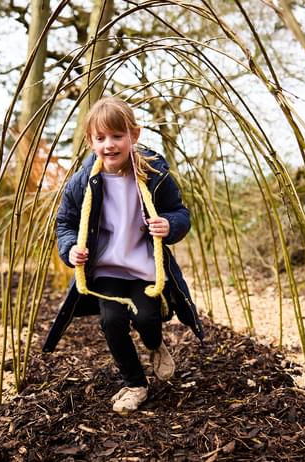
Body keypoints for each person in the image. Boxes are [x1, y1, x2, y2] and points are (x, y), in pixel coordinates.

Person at [43, 96, 204, 415]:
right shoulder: (82, 182)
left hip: (145, 266)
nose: (109, 145)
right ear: (90, 141)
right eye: (100, 138)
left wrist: (168, 224)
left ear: (135, 135)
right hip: (106, 269)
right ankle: (135, 383)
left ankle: (155, 343)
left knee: (146, 318)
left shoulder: (153, 174)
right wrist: (70, 248)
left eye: (117, 136)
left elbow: (179, 212)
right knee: (111, 321)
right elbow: (66, 222)